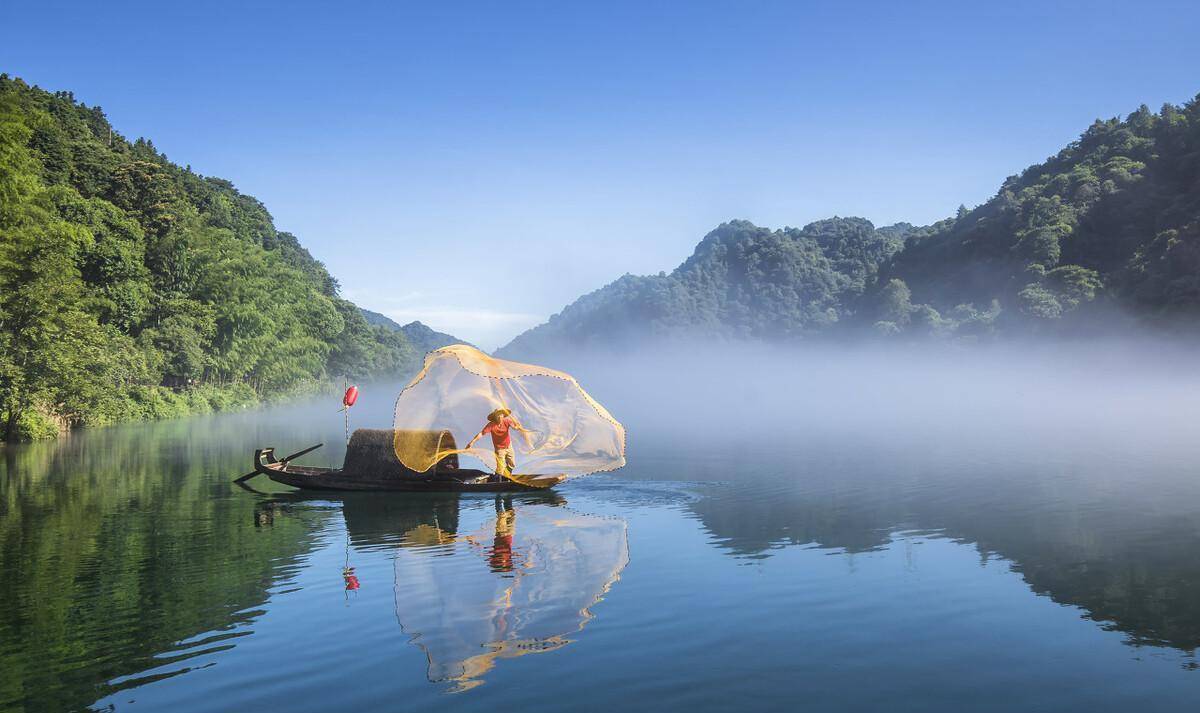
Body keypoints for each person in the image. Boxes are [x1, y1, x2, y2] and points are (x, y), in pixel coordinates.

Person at [465, 408, 531, 480]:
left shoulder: (507, 421)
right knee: (500, 468)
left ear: (503, 415)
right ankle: (497, 480)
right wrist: (472, 442)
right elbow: (481, 433)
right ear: (495, 417)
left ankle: (506, 477)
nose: (500, 417)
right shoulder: (491, 425)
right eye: (498, 415)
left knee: (512, 464)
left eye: (501, 415)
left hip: (509, 446)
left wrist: (517, 427)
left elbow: (514, 427)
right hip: (499, 449)